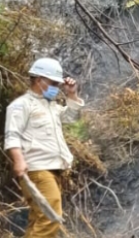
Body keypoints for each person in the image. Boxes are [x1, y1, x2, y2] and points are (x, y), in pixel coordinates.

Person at [4, 57, 84, 238]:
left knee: (39, 218)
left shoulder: (51, 107)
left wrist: (72, 95)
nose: (56, 88)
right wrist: (18, 160)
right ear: (38, 80)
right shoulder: (21, 106)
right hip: (37, 169)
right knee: (50, 218)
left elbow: (72, 119)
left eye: (58, 84)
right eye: (53, 83)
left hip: (53, 169)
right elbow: (12, 135)